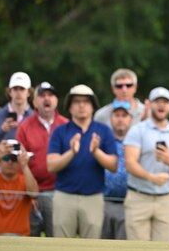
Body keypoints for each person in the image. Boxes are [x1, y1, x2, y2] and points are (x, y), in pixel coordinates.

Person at [47, 84, 118, 239]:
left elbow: (113, 165)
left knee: (92, 249)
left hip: (93, 197)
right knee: (61, 247)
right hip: (64, 196)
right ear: (69, 107)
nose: (81, 105)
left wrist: (96, 152)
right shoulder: (60, 131)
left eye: (86, 101)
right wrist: (71, 152)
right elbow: (51, 165)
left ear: (93, 106)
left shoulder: (103, 130)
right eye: (76, 101)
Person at [124, 87, 169, 242]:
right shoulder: (137, 130)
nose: (161, 106)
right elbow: (130, 163)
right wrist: (150, 177)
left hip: (165, 200)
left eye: (165, 102)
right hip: (138, 198)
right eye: (157, 102)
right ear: (149, 104)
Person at [16, 81, 67, 237]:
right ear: (35, 102)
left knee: (58, 243)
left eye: (50, 95)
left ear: (56, 101)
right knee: (29, 245)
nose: (47, 99)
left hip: (59, 194)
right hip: (32, 196)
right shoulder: (24, 126)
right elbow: (19, 164)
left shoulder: (66, 125)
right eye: (42, 95)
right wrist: (30, 194)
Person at [0, 140, 38, 236]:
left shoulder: (25, 181)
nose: (10, 162)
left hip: (20, 237)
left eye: (14, 158)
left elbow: (34, 193)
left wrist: (25, 166)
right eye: (6, 157)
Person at [102, 101, 131, 240]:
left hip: (128, 203)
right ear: (111, 118)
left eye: (124, 116)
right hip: (103, 202)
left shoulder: (136, 142)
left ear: (130, 119)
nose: (120, 119)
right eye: (117, 115)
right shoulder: (102, 141)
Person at [0, 71, 34, 146]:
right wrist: (2, 131)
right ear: (10, 91)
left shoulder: (35, 117)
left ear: (29, 92)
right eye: (15, 89)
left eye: (22, 89)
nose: (18, 93)